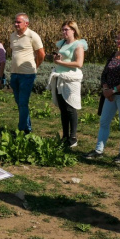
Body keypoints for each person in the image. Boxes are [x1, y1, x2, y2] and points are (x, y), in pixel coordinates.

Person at [84, 28, 120, 163]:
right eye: (117, 38)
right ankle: (99, 150)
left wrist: (112, 90)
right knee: (104, 122)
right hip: (110, 95)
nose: (117, 41)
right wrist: (105, 88)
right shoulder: (114, 54)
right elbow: (105, 73)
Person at [48, 20, 88, 148]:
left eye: (66, 30)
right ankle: (65, 135)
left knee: (70, 108)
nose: (64, 32)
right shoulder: (62, 43)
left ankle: (73, 137)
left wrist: (60, 63)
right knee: (63, 109)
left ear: (73, 30)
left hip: (71, 79)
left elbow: (79, 63)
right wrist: (56, 59)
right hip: (60, 78)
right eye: (63, 30)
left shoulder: (78, 45)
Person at [9, 13, 45, 134]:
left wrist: (35, 66)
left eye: (18, 22)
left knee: (23, 102)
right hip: (14, 73)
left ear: (26, 23)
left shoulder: (32, 36)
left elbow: (41, 54)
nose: (16, 24)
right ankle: (27, 127)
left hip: (27, 75)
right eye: (15, 21)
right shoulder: (12, 36)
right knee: (19, 103)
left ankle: (21, 129)